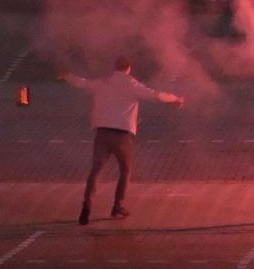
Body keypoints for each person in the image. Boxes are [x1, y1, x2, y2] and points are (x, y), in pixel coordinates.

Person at [60, 57, 184, 225]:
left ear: (115, 67)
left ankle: (86, 206)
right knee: (125, 171)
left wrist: (67, 76)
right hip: (122, 136)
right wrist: (176, 98)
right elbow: (156, 96)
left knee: (95, 171)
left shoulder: (103, 82)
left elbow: (83, 83)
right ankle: (118, 206)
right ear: (129, 68)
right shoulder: (132, 85)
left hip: (102, 133)